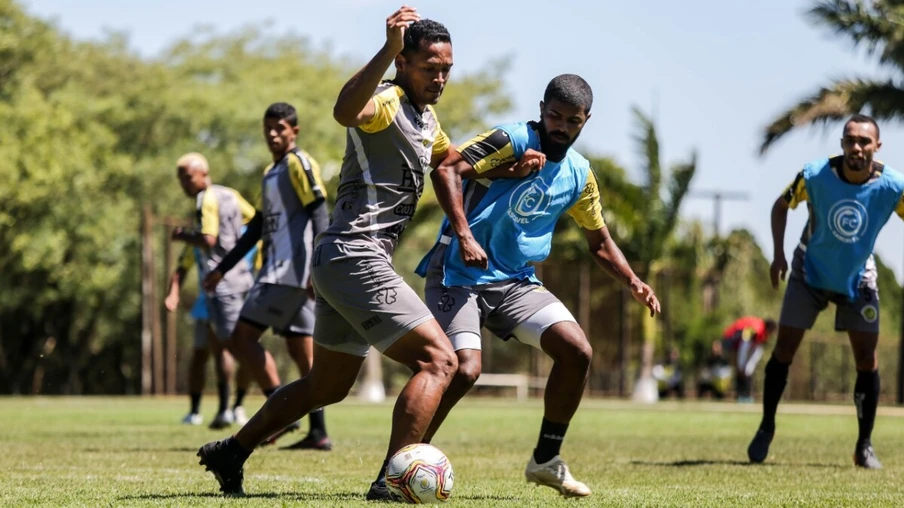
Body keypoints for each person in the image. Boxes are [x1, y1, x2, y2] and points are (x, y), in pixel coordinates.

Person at [197, 8, 501, 497]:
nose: (440, 78)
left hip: (347, 259)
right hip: (354, 254)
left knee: (327, 387)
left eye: (446, 69)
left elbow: (448, 162)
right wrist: (385, 48)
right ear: (402, 63)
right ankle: (391, 481)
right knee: (441, 361)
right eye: (430, 68)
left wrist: (509, 165)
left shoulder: (426, 119)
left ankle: (232, 450)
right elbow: (345, 111)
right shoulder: (385, 99)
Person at [369, 73, 661, 500]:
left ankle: (546, 460)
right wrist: (466, 233)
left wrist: (633, 281)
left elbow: (599, 242)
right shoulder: (511, 138)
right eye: (554, 116)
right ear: (541, 109)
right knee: (464, 369)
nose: (561, 126)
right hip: (459, 272)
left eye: (572, 121)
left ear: (586, 120)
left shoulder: (580, 175)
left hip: (516, 282)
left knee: (576, 350)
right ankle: (392, 471)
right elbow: (448, 167)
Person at [747, 114, 904, 469]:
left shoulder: (894, 185)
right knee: (784, 349)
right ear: (842, 145)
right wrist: (778, 255)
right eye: (850, 140)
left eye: (864, 141)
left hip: (858, 276)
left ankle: (864, 445)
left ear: (877, 147)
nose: (856, 147)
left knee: (867, 359)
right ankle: (766, 426)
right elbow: (780, 205)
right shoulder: (815, 175)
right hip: (809, 271)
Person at [201, 102, 333, 451]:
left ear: (295, 131)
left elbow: (319, 212)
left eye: (280, 128)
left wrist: (319, 266)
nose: (273, 134)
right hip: (284, 273)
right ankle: (318, 432)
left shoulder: (298, 163)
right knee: (302, 354)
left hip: (287, 274)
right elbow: (257, 226)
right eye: (268, 129)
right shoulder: (271, 171)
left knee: (242, 338)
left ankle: (281, 415)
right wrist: (222, 269)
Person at [166, 153, 258, 428]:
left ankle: (269, 397)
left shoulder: (205, 199)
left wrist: (182, 234)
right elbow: (256, 221)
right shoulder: (229, 195)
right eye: (180, 177)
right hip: (237, 282)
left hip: (221, 284)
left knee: (232, 347)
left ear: (203, 174)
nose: (184, 182)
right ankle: (223, 409)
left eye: (188, 176)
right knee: (218, 348)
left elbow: (208, 239)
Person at [720, 316, 776, 403]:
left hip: (739, 342)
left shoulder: (760, 328)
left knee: (744, 371)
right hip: (733, 341)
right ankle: (742, 395)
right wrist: (743, 364)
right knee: (741, 370)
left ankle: (744, 395)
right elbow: (747, 344)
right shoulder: (758, 329)